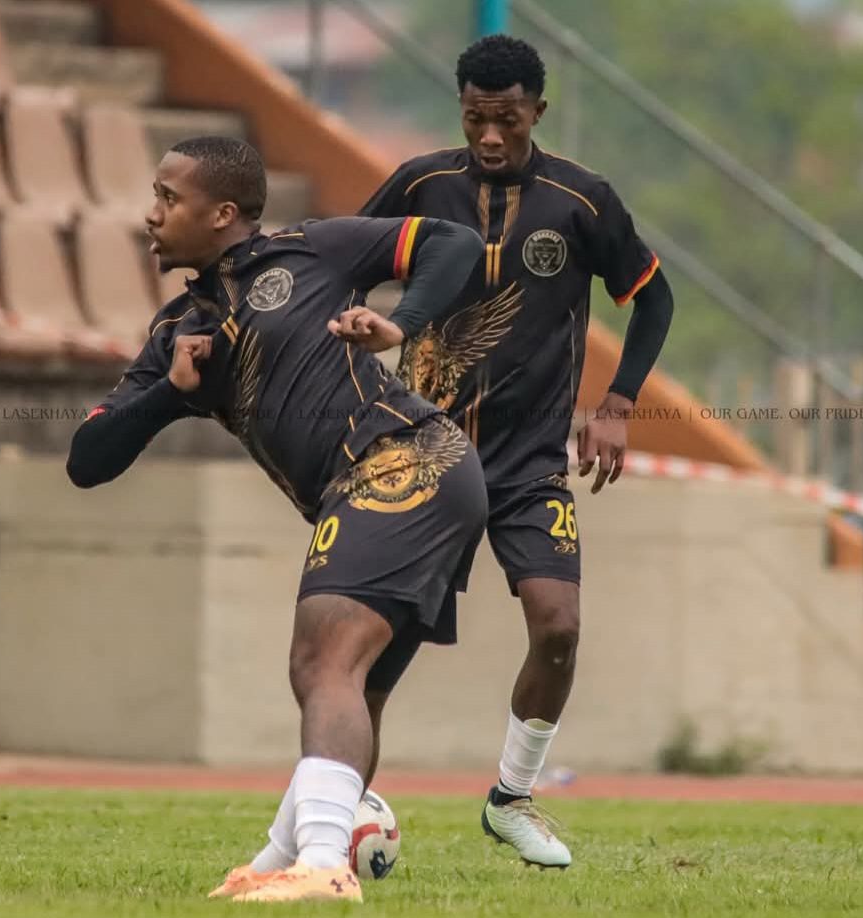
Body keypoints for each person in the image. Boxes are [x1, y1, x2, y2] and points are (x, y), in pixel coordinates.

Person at [67, 136, 488, 902]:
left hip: (407, 457)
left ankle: (324, 866)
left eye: (168, 197)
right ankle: (277, 864)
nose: (151, 213)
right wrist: (170, 393)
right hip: (402, 479)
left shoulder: (312, 250)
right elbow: (87, 460)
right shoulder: (176, 333)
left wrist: (403, 321)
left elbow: (453, 242)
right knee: (351, 684)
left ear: (222, 212)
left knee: (321, 662)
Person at [338, 34, 674, 868]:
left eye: (509, 120)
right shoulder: (420, 186)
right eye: (476, 118)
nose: (491, 136)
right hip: (426, 457)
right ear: (461, 109)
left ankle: (511, 799)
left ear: (538, 112)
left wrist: (618, 404)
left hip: (529, 466)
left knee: (558, 626)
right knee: (374, 657)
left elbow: (655, 298)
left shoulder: (581, 201)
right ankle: (332, 822)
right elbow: (343, 266)